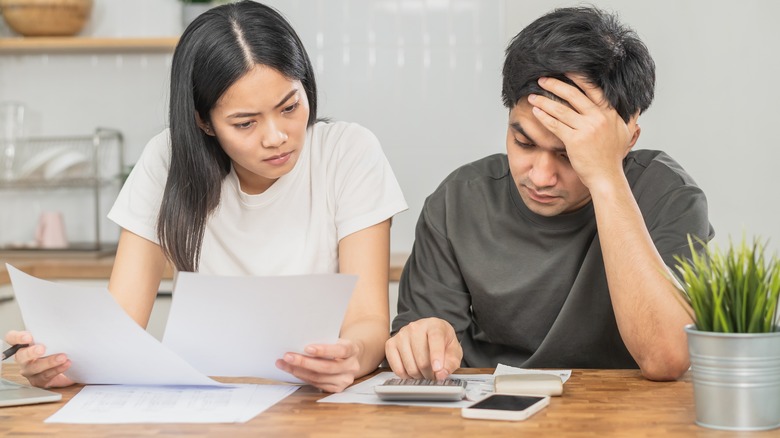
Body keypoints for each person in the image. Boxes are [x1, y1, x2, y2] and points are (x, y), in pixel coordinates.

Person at [5, 0, 407, 393]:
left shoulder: (348, 152)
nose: (276, 136)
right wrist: (64, 364)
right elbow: (121, 323)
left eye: (289, 106)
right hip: (207, 401)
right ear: (204, 122)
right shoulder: (167, 160)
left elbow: (369, 318)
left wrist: (350, 355)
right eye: (245, 123)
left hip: (317, 400)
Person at [386, 6, 713, 382]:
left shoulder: (668, 196)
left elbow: (667, 357)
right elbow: (424, 350)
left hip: (617, 416)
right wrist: (425, 342)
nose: (540, 177)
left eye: (569, 154)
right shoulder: (458, 201)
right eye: (523, 142)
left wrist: (606, 177)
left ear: (627, 141)